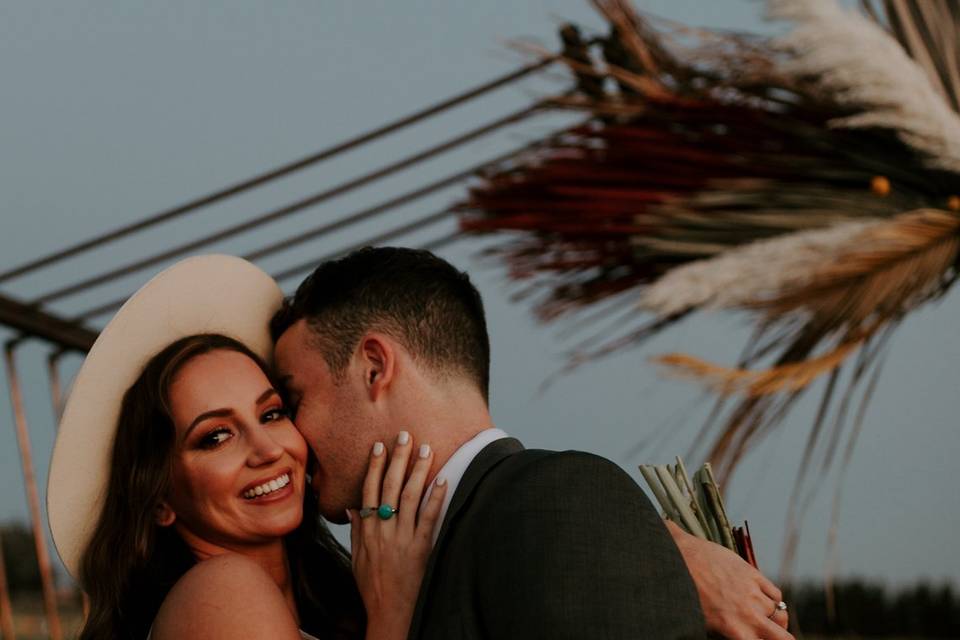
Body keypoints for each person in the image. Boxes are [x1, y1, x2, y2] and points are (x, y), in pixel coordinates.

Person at [270, 246, 794, 640]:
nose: (289, 436)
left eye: (293, 402)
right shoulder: (387, 575)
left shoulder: (560, 500)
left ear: (374, 367)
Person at [47, 256, 445, 640]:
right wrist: (392, 608)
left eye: (271, 414)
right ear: (159, 502)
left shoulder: (327, 602)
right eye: (216, 436)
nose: (267, 450)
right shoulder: (219, 590)